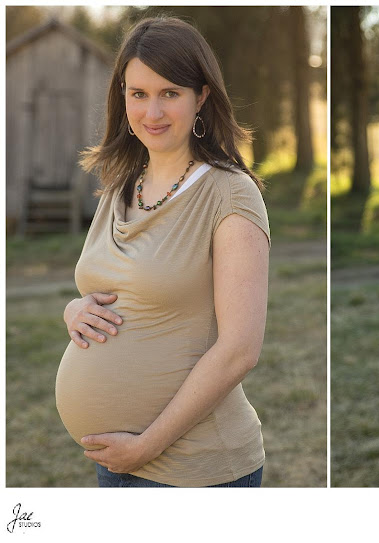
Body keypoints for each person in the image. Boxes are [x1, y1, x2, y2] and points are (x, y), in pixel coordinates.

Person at [55, 17, 270, 488]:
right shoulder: (120, 187)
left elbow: (240, 350)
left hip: (196, 468)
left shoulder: (229, 194)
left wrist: (146, 445)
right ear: (122, 97)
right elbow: (111, 288)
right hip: (118, 461)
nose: (152, 111)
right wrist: (74, 310)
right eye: (138, 94)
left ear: (202, 97)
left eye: (170, 93)